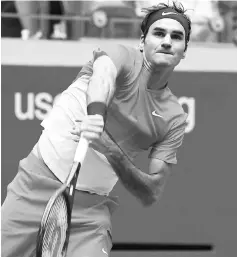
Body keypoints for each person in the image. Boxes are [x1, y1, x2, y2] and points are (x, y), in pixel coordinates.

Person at [1, 1, 191, 257]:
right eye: (159, 33)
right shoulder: (121, 56)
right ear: (142, 41)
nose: (167, 41)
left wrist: (109, 149)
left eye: (176, 36)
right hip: (33, 186)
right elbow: (103, 76)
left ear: (184, 50)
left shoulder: (174, 117)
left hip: (90, 214)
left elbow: (151, 192)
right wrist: (96, 115)